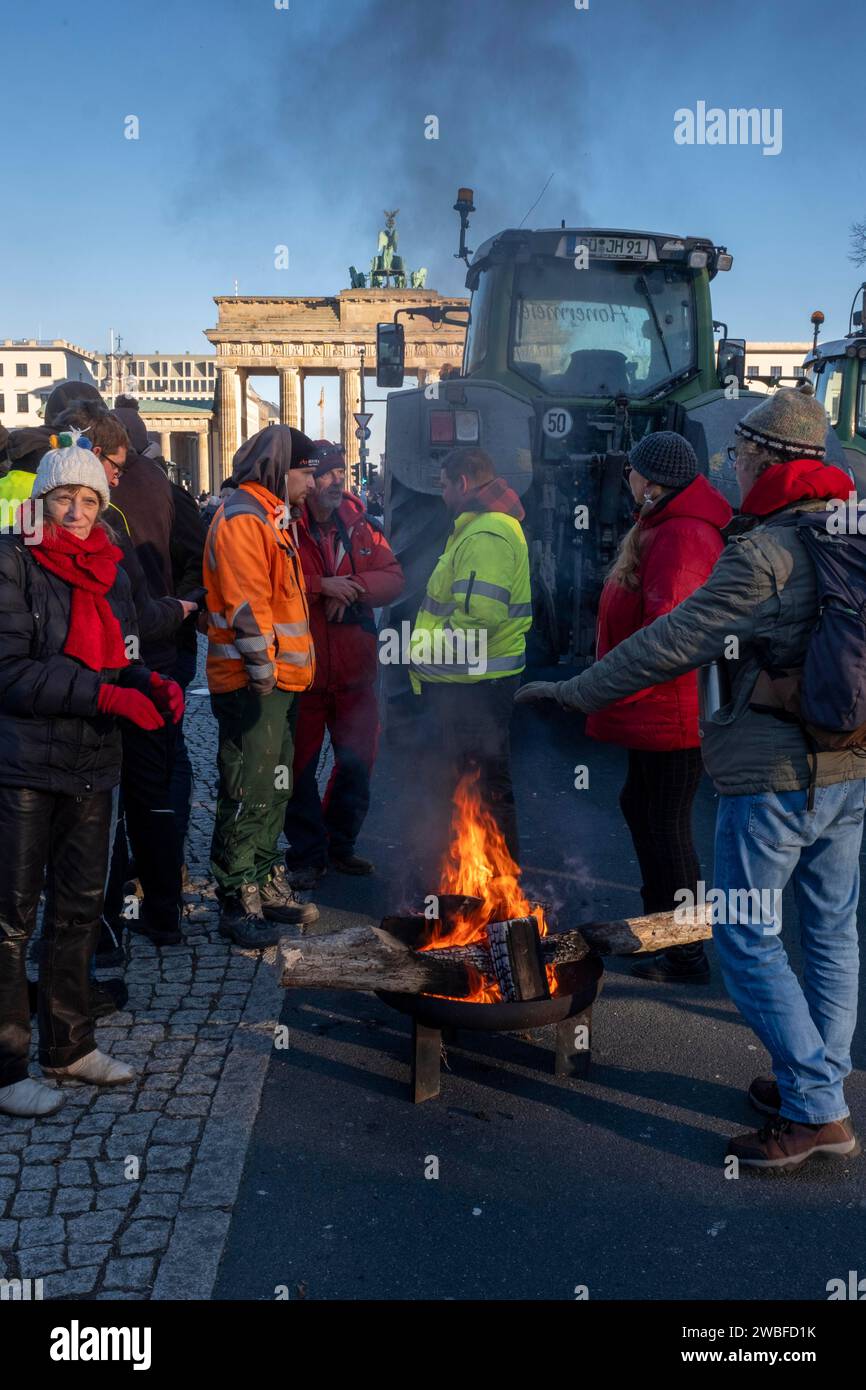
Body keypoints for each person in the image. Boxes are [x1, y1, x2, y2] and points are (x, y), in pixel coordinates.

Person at [517, 387, 864, 1170]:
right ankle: (820, 1078)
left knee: (745, 935)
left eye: (739, 456)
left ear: (767, 458)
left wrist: (576, 690)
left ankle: (816, 1107)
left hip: (775, 775)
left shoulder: (766, 550)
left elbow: (671, 640)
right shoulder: (852, 527)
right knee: (832, 930)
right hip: (850, 767)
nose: (733, 468)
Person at [0, 433, 183, 1117]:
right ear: (42, 500)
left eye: (87, 499)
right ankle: (6, 1065)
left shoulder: (107, 565)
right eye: (63, 498)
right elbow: (12, 673)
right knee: (12, 919)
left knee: (78, 911)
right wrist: (110, 696)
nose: (76, 511)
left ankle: (69, 1046)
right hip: (23, 765)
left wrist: (144, 682)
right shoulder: (12, 562)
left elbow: (112, 657)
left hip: (91, 765)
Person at [583, 432, 732, 984]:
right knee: (643, 808)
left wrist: (604, 687)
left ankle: (684, 953)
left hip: (673, 714)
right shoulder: (664, 527)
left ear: (649, 480)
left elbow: (669, 637)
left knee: (666, 824)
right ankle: (658, 934)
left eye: (632, 473)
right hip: (659, 712)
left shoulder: (683, 538)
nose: (627, 480)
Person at [204, 424, 321, 945]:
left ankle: (265, 879)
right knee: (247, 787)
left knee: (275, 786)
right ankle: (236, 897)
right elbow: (248, 608)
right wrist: (265, 676)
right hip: (254, 686)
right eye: (307, 472)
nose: (313, 484)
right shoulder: (243, 519)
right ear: (281, 468)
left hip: (280, 684)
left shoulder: (269, 518)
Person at [284, 442, 404, 886]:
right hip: (305, 673)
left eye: (341, 473)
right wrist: (322, 586)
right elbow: (273, 580)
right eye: (328, 474)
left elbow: (394, 578)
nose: (337, 481)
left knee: (357, 762)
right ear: (309, 480)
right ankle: (306, 855)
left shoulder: (361, 527)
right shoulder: (285, 526)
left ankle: (341, 845)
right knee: (298, 770)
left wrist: (351, 585)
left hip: (355, 675)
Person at [411, 446, 531, 875]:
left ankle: (499, 892)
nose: (442, 494)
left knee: (485, 789)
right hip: (474, 683)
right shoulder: (483, 527)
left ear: (462, 483)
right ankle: (488, 887)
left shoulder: (485, 534)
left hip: (474, 686)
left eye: (444, 485)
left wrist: (420, 652)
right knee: (479, 787)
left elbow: (480, 618)